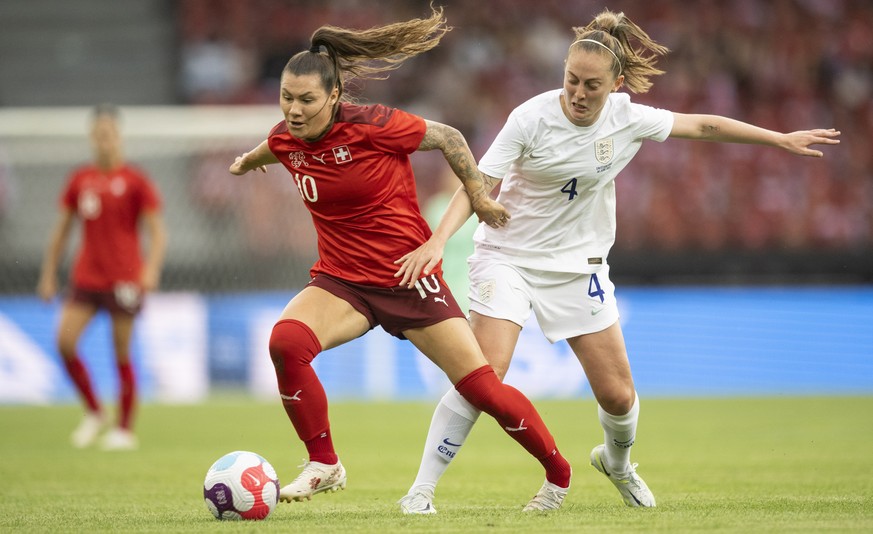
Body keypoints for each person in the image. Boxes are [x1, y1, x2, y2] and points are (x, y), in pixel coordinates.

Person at [394, 8, 841, 513]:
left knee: (619, 397)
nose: (578, 94)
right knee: (483, 375)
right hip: (508, 257)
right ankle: (421, 491)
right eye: (570, 82)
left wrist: (778, 139)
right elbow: (478, 182)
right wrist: (437, 241)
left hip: (578, 266)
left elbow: (704, 125)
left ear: (616, 84)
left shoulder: (628, 118)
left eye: (591, 86)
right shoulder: (530, 117)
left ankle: (618, 463)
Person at [227, 6, 572, 512]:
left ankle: (559, 475)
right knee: (286, 342)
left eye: (306, 100)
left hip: (410, 279)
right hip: (343, 282)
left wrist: (477, 197)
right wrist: (246, 161)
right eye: (286, 99)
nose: (294, 110)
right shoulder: (286, 137)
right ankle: (324, 463)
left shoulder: (373, 125)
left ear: (335, 97)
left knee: (483, 391)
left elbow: (450, 138)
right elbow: (274, 145)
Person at [37, 104, 167, 450]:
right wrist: (49, 274)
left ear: (118, 136)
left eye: (109, 133)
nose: (104, 140)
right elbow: (62, 231)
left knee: (121, 353)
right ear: (92, 137)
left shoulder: (136, 180)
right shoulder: (80, 180)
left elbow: (157, 232)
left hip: (124, 278)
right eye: (98, 134)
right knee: (65, 342)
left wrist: (150, 268)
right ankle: (94, 411)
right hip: (86, 277)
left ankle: (124, 429)